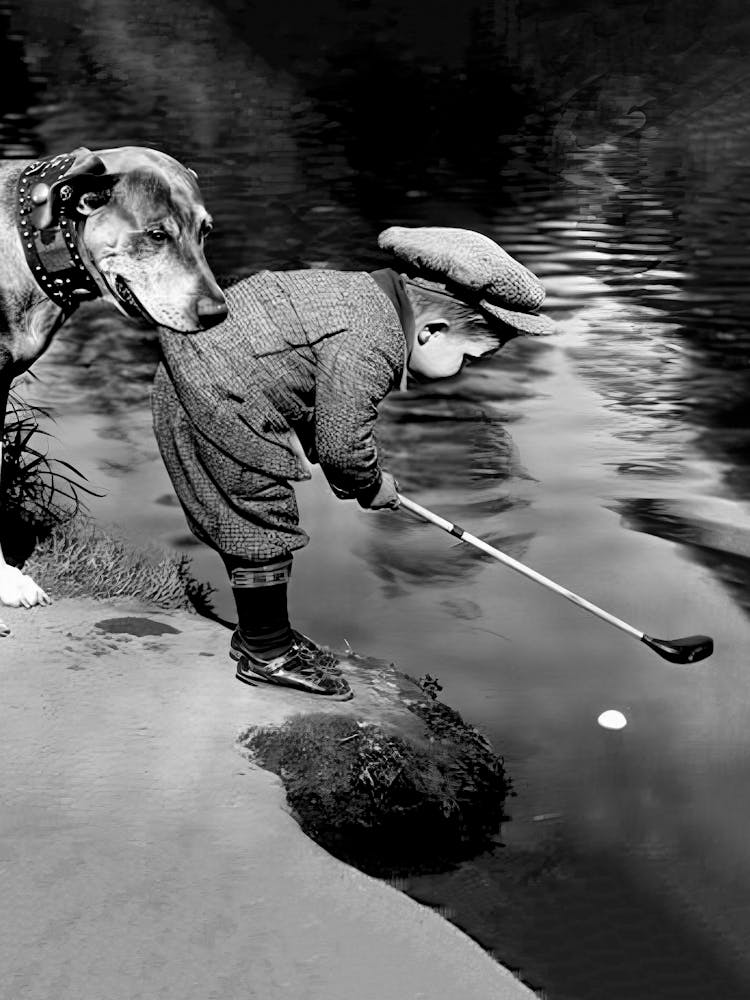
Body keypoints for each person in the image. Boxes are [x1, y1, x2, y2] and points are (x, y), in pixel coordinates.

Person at [152, 226, 554, 701]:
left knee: (251, 518)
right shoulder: (373, 341)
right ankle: (266, 653)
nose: (464, 371)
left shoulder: (360, 297)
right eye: (468, 359)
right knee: (258, 521)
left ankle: (261, 633)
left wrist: (341, 458)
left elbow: (308, 386)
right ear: (430, 331)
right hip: (215, 398)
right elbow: (344, 446)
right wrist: (370, 483)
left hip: (206, 379)